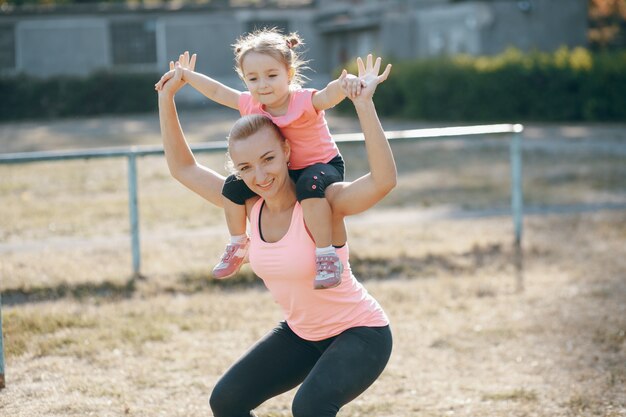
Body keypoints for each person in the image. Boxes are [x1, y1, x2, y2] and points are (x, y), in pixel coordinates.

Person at [158, 52, 394, 417]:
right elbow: (183, 168)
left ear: (286, 151)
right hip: (302, 334)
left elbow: (383, 181)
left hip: (360, 333)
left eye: (268, 159)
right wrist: (166, 97)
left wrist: (364, 105)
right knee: (227, 400)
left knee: (311, 406)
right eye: (245, 168)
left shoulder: (323, 202)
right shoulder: (248, 206)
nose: (260, 175)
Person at [155, 28, 365, 289]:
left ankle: (325, 254)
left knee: (308, 186)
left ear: (288, 74)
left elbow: (328, 95)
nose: (263, 85)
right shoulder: (251, 104)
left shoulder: (302, 100)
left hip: (322, 167)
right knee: (232, 186)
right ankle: (239, 242)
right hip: (287, 169)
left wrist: (348, 83)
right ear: (245, 81)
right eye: (253, 79)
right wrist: (187, 76)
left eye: (272, 75)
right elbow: (219, 93)